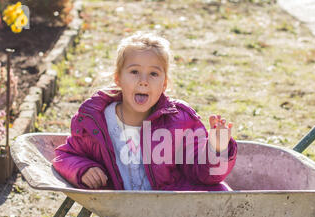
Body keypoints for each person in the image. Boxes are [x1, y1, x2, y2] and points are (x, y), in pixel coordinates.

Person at [52, 32, 237, 191]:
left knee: (219, 191)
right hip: (122, 204)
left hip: (176, 204)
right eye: (134, 72)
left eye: (154, 74)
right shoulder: (96, 123)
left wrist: (216, 148)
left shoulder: (179, 122)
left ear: (164, 84)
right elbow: (65, 156)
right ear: (118, 78)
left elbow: (204, 174)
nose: (144, 81)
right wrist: (83, 168)